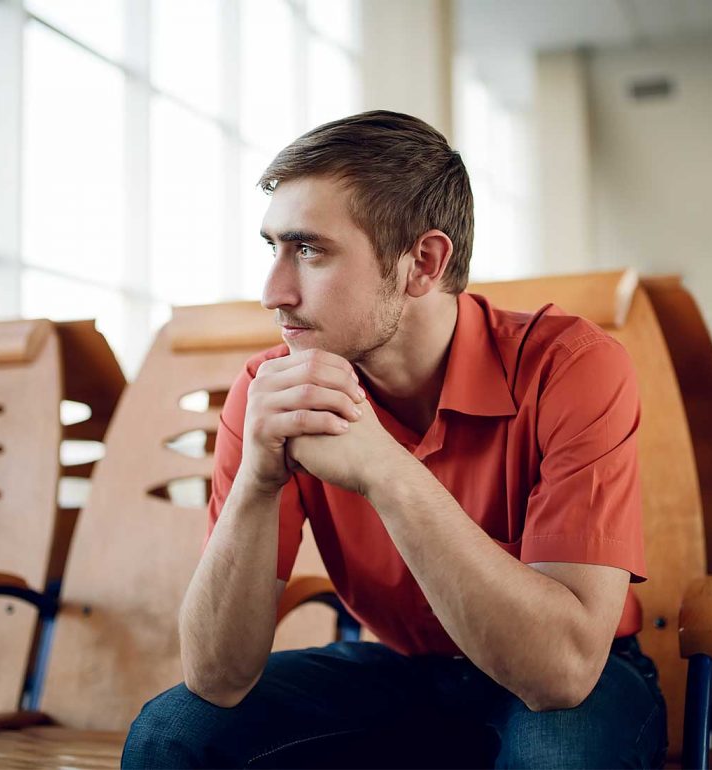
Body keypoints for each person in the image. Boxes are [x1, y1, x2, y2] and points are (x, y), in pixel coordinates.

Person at [122, 110, 666, 769]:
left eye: (311, 250)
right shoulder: (274, 389)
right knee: (173, 733)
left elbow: (562, 672)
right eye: (273, 248)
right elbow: (216, 678)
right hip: (410, 674)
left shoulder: (572, 367)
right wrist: (258, 482)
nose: (273, 291)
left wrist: (387, 470)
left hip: (575, 680)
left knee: (561, 758)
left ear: (423, 263)